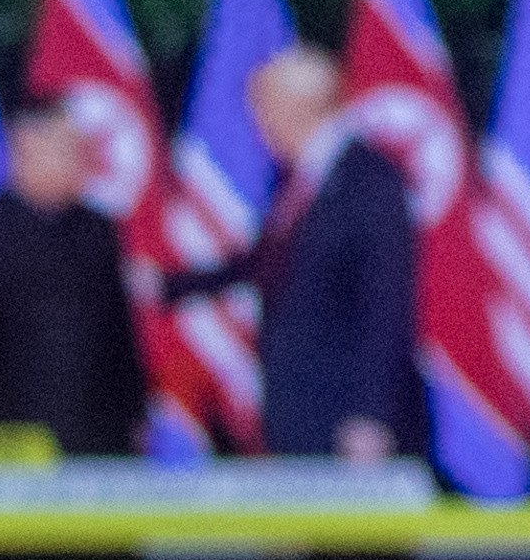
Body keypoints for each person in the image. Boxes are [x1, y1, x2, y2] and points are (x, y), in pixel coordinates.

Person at [156, 47, 416, 463]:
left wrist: (371, 416)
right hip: (294, 403)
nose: (258, 125)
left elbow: (385, 307)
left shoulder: (369, 179)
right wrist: (165, 285)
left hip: (346, 415)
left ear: (297, 107)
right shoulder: (298, 179)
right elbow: (265, 263)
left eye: (263, 108)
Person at [0, 99, 148, 459]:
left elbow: (120, 338)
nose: (82, 161)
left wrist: (135, 416)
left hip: (99, 444)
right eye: (68, 149)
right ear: (26, 150)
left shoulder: (98, 232)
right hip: (9, 444)